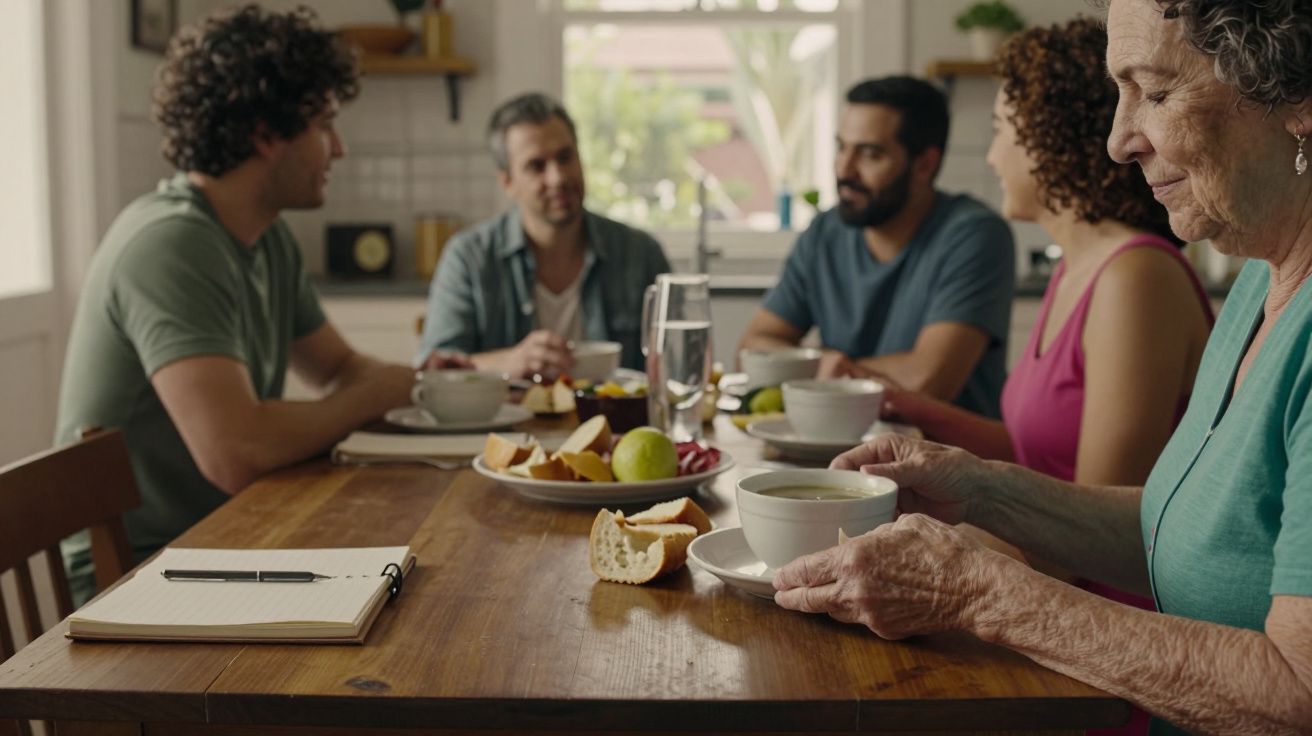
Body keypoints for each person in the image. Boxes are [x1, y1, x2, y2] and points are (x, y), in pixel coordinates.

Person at [773, 1, 1312, 733]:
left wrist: (981, 594)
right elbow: (1176, 531)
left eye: (1154, 92)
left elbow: (1297, 694)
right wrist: (982, 489)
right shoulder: (1259, 278)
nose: (1119, 141)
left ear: (1297, 99)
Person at [54, 5, 456, 603]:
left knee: (430, 568)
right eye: (324, 124)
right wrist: (373, 396)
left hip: (223, 539)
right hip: (140, 573)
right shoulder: (171, 244)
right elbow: (235, 452)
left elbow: (338, 369)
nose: (339, 149)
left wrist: (419, 384)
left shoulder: (263, 237)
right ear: (265, 135)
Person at [738, 76, 1015, 418]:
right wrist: (825, 365)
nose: (844, 168)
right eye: (841, 147)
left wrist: (822, 368)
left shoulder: (974, 235)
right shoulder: (826, 232)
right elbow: (753, 348)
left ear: (924, 165)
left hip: (946, 461)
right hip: (841, 447)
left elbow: (929, 380)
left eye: (870, 154)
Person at [417, 93, 672, 378]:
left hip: (619, 423)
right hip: (507, 422)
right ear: (507, 182)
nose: (558, 177)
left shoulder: (641, 253)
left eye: (566, 157)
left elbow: (676, 366)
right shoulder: (469, 257)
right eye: (536, 166)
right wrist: (510, 362)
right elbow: (435, 369)